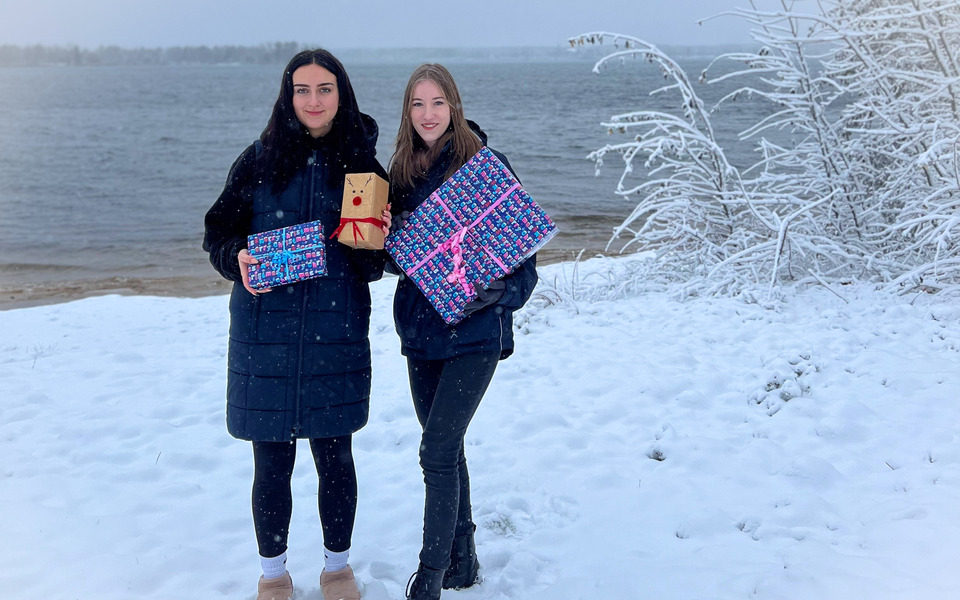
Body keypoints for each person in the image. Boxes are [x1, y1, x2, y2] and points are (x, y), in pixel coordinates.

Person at [203, 48, 390, 600]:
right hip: (266, 336)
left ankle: (337, 569)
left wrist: (375, 237)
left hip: (337, 334)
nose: (313, 100)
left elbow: (374, 264)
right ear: (288, 96)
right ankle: (274, 576)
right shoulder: (258, 159)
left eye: (325, 89)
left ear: (342, 94)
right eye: (302, 90)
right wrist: (235, 256)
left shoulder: (362, 165)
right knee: (272, 464)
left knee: (336, 459)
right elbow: (218, 233)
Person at [387, 64, 539, 600]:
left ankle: (429, 574)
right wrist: (382, 239)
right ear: (407, 112)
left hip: (474, 335)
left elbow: (526, 268)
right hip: (420, 334)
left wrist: (492, 294)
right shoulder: (399, 172)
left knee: (436, 449)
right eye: (417, 104)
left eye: (437, 102)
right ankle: (464, 558)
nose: (428, 114)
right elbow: (399, 262)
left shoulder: (486, 166)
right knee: (446, 451)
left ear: (454, 105)